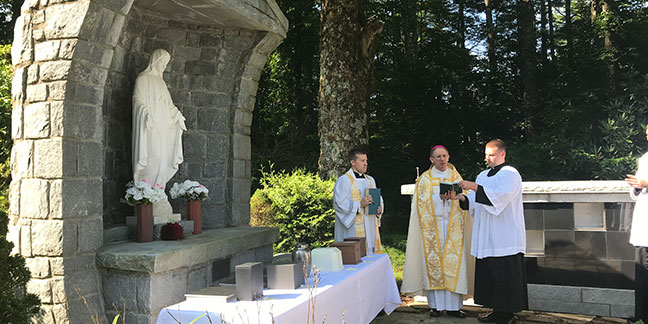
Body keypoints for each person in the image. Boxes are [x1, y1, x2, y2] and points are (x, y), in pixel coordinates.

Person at [455, 139, 527, 324]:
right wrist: (459, 197)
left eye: (492, 154)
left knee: (505, 276)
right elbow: (473, 202)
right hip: (487, 236)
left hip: (505, 235)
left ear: (503, 154)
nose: (488, 158)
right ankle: (496, 310)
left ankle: (507, 314)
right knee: (491, 275)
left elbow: (499, 199)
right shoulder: (482, 175)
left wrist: (473, 187)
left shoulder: (510, 174)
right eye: (486, 154)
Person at [401, 145, 473, 318]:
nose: (442, 159)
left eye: (445, 156)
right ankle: (435, 306)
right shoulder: (425, 179)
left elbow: (466, 198)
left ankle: (455, 307)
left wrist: (454, 197)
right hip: (432, 228)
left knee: (453, 265)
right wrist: (438, 198)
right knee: (433, 265)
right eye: (438, 156)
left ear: (448, 157)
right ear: (431, 160)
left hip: (453, 227)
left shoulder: (456, 176)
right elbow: (420, 204)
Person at [132, 49, 187, 215]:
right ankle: (146, 193)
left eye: (166, 63)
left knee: (163, 159)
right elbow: (137, 100)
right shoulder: (143, 79)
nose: (163, 66)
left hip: (163, 128)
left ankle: (157, 192)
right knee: (153, 156)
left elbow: (169, 106)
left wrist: (176, 114)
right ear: (154, 61)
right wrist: (145, 114)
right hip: (150, 127)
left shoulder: (161, 83)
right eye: (162, 62)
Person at [333, 148, 384, 253]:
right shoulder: (344, 180)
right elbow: (339, 204)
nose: (366, 164)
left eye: (366, 161)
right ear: (353, 162)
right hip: (352, 231)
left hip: (370, 227)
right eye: (362, 161)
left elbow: (379, 199)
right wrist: (359, 204)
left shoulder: (370, 180)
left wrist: (379, 209)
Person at [624, 124, 648, 323]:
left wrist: (645, 183)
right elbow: (637, 190)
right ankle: (642, 314)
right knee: (642, 272)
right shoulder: (645, 159)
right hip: (644, 225)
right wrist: (636, 187)